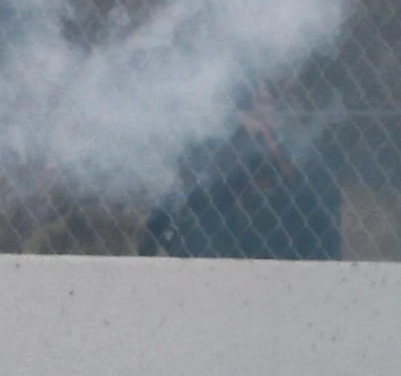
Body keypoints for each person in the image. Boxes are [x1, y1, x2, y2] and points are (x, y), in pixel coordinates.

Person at [143, 86, 342, 260]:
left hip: (271, 242)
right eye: (260, 101)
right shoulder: (218, 141)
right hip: (220, 238)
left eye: (267, 101)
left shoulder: (285, 150)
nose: (265, 108)